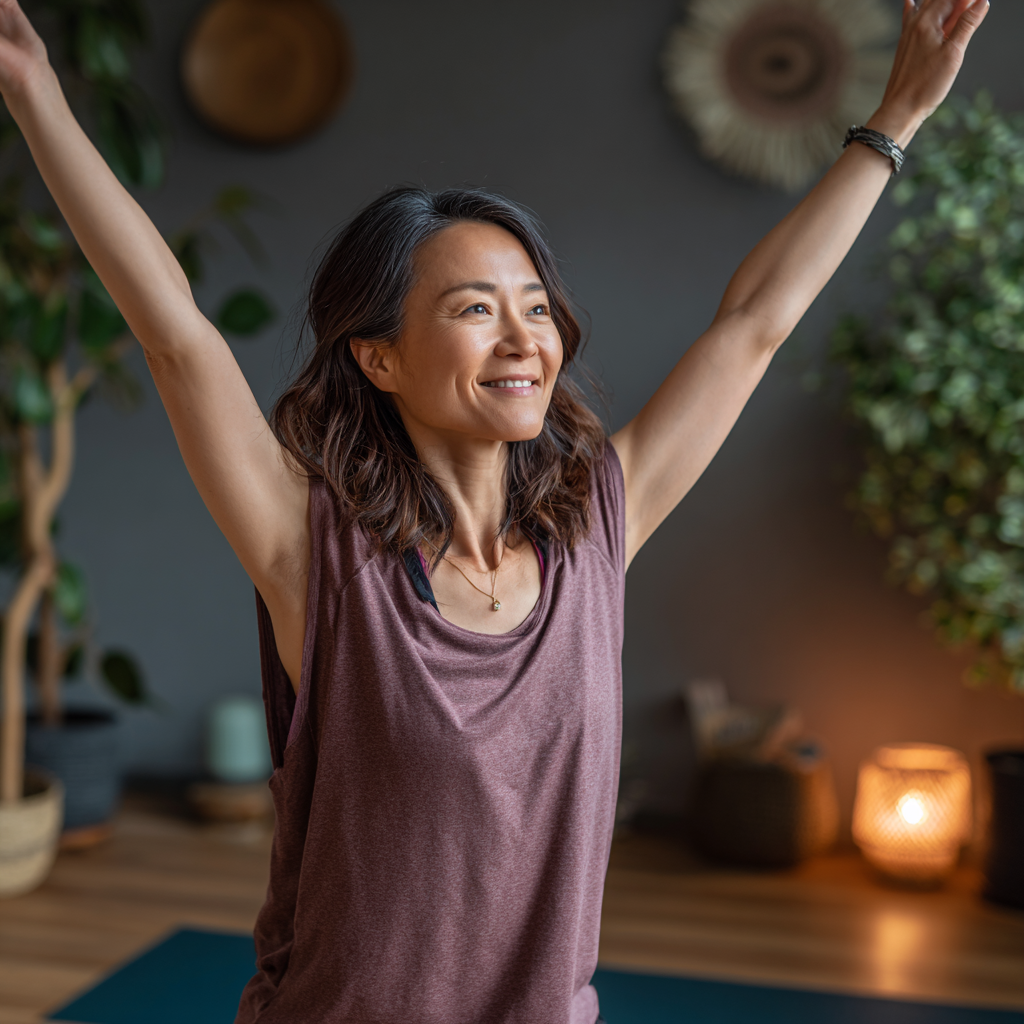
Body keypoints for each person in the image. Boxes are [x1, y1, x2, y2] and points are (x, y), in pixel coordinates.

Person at [0, 0, 989, 1020]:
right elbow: (177, 339)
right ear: (378, 357)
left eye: (532, 304)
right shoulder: (316, 558)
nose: (523, 337)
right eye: (474, 308)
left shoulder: (598, 527)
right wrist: (35, 96)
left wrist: (898, 117)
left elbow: (751, 326)